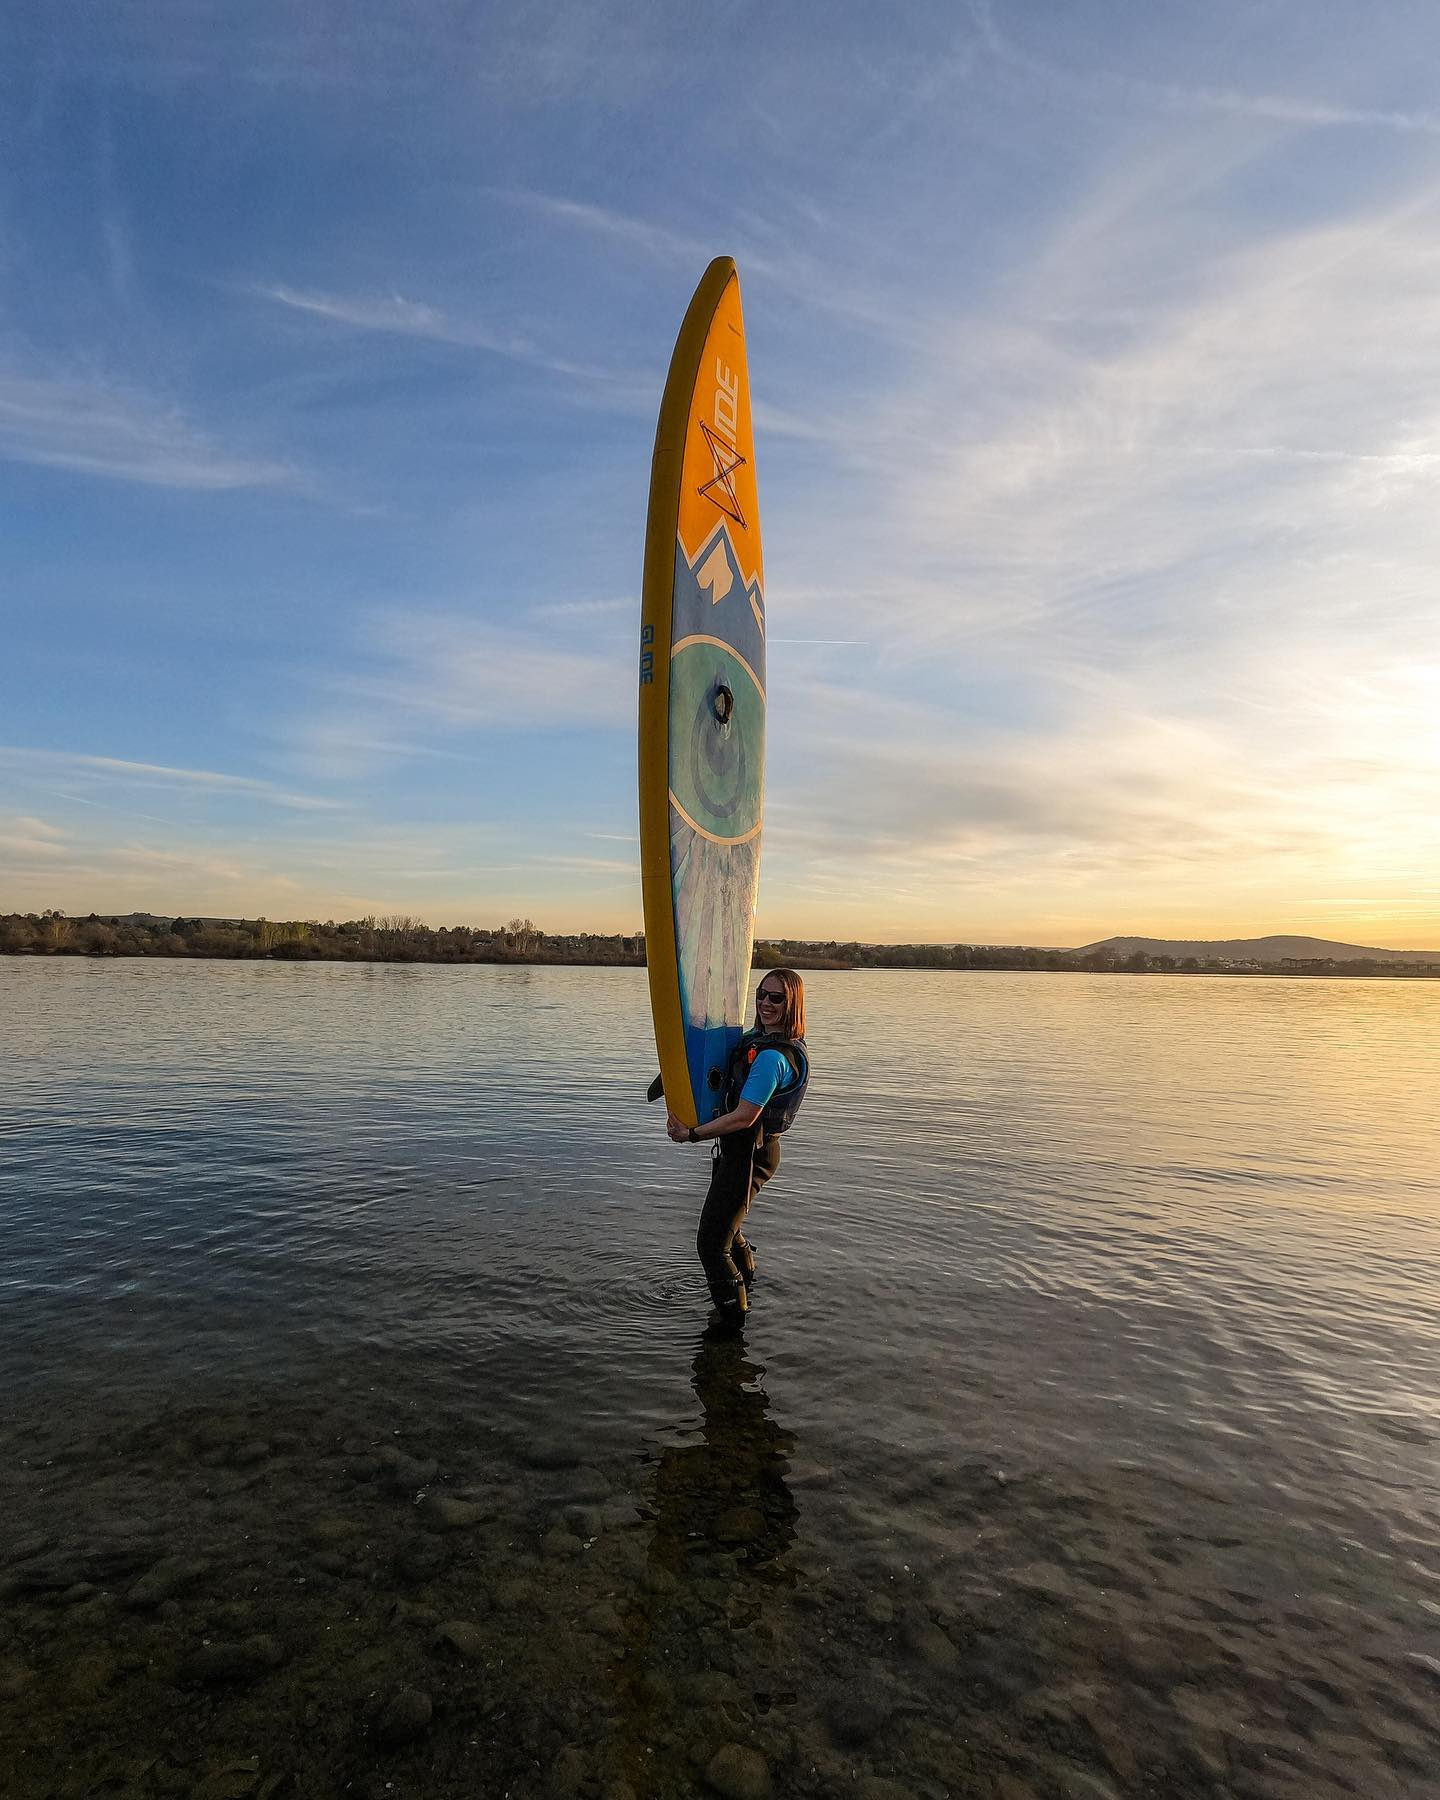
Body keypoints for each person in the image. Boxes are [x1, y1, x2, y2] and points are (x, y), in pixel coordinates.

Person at [667, 968, 809, 1332]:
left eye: (776, 997)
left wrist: (693, 1134)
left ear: (792, 1004)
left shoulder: (773, 1059)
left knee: (711, 1246)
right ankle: (749, 1281)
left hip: (749, 1156)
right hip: (740, 1152)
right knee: (727, 1226)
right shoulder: (756, 1041)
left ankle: (730, 1328)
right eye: (761, 994)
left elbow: (745, 1117)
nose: (765, 1003)